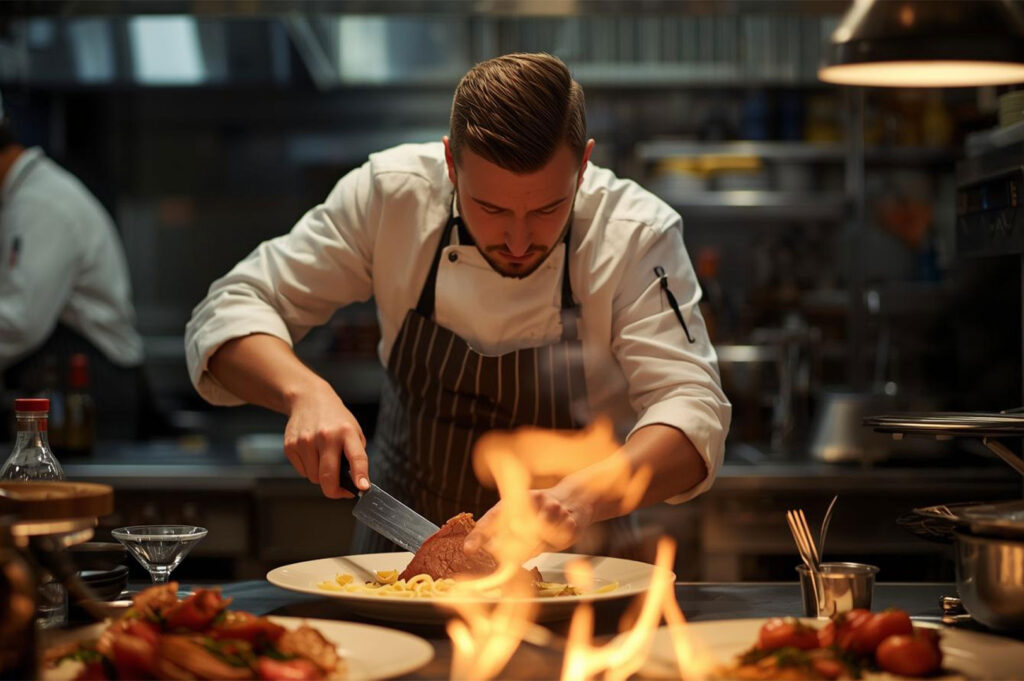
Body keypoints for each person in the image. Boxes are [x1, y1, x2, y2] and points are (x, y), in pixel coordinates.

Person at [185, 53, 731, 557]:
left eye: (548, 209)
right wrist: (304, 392)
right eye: (490, 208)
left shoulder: (635, 233)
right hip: (400, 560)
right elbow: (232, 306)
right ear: (450, 163)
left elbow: (691, 407)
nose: (518, 241)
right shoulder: (391, 196)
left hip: (575, 570)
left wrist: (574, 500)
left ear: (583, 167)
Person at [0, 91, 150, 441]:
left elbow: (20, 321)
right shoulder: (23, 197)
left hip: (92, 390)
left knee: (76, 496)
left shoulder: (42, 204)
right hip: (67, 388)